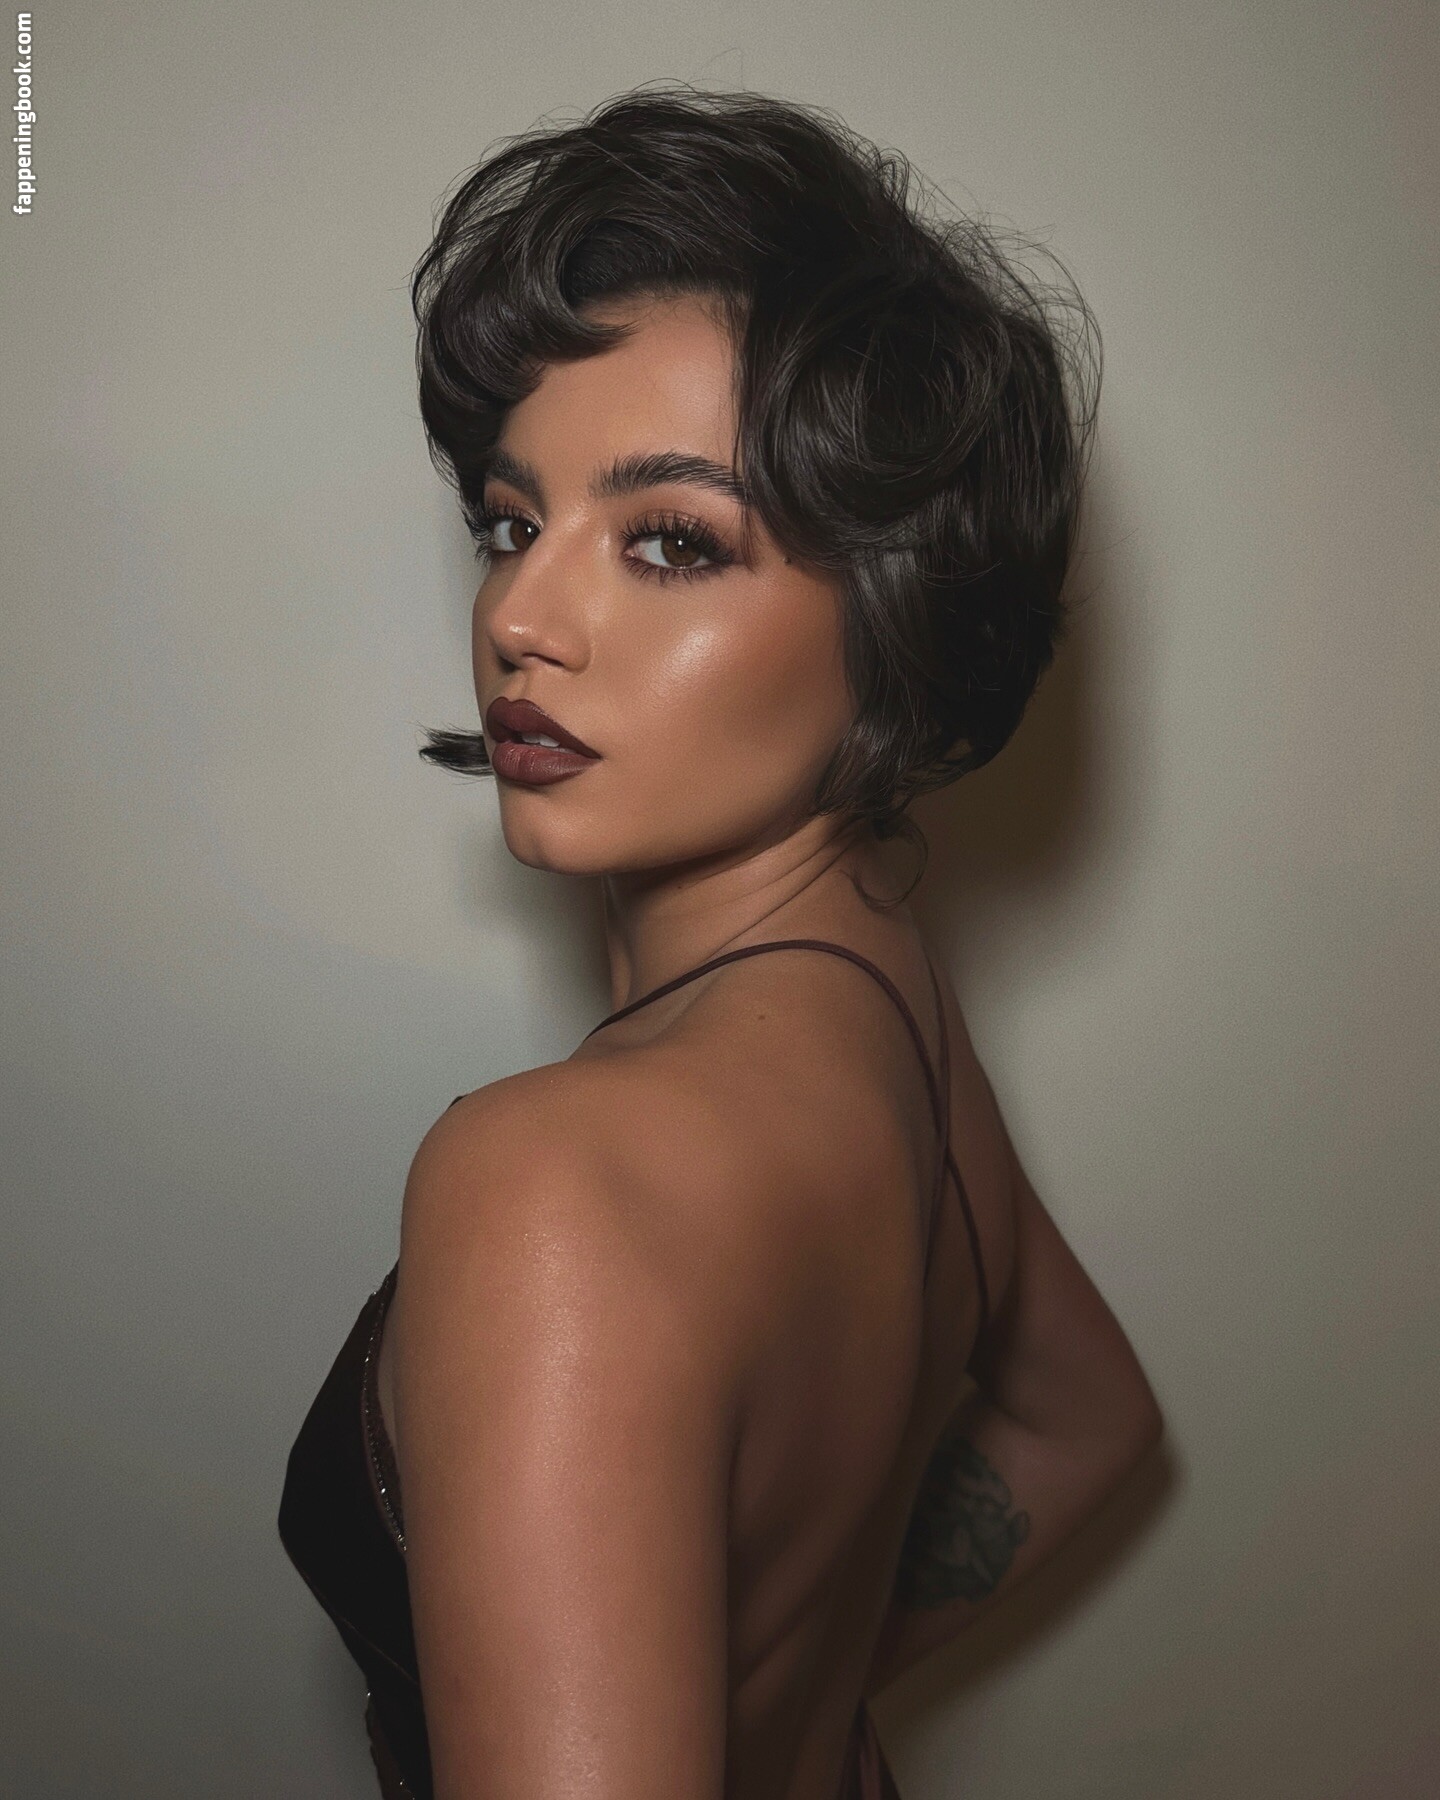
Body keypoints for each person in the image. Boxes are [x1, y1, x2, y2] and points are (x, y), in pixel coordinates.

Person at [279, 85, 1162, 1800]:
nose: (520, 617)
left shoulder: (551, 1188)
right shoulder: (886, 1003)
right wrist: (748, 1694)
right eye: (513, 521)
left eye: (671, 541)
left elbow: (1085, 1431)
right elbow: (1083, 1421)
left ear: (899, 615)